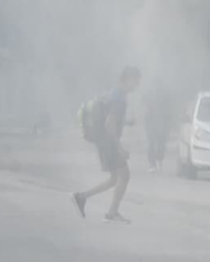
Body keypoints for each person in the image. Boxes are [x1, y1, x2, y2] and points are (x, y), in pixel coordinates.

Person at [72, 65, 141, 223]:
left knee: (115, 178)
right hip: (108, 142)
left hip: (104, 141)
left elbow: (110, 118)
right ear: (128, 79)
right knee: (124, 175)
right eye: (136, 80)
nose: (137, 84)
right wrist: (120, 147)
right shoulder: (120, 98)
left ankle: (81, 197)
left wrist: (126, 122)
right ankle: (111, 213)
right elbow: (110, 124)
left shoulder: (115, 93)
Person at [143, 83, 172, 173]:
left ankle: (159, 160)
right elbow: (144, 109)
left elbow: (169, 111)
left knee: (161, 144)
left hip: (162, 124)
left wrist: (168, 125)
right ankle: (152, 164)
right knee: (152, 144)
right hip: (151, 124)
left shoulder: (165, 97)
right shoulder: (148, 96)